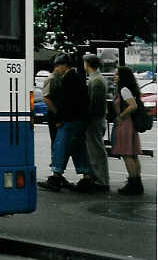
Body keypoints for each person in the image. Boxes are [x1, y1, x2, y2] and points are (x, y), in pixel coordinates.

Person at [38, 54, 92, 191]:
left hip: (69, 121)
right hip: (81, 121)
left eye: (58, 65)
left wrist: (59, 119)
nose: (56, 68)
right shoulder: (78, 78)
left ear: (65, 65)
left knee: (60, 147)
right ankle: (87, 177)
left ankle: (56, 178)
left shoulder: (67, 79)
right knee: (79, 149)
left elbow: (66, 103)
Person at [111, 66, 144, 195]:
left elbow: (133, 106)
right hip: (130, 124)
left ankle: (132, 183)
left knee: (127, 154)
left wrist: (121, 115)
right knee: (133, 155)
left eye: (117, 75)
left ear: (122, 77)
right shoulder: (129, 89)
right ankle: (137, 182)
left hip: (125, 124)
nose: (114, 76)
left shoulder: (124, 90)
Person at [81, 54, 110, 192]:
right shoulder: (97, 79)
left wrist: (88, 118)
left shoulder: (96, 81)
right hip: (97, 119)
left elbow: (95, 104)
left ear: (87, 64)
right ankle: (98, 178)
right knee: (95, 150)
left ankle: (101, 180)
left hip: (95, 120)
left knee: (96, 150)